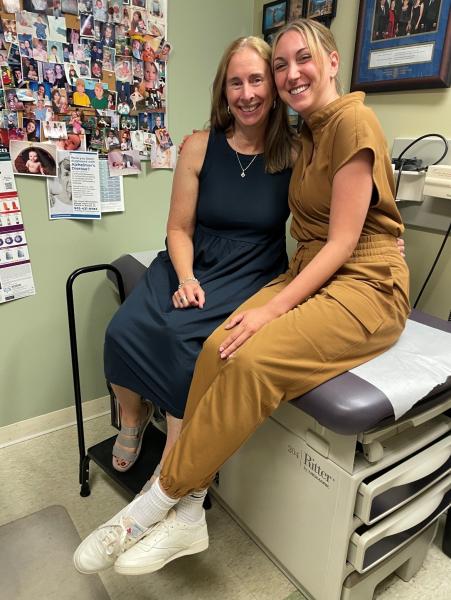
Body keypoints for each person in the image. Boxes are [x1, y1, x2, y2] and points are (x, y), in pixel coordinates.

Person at [74, 22, 408, 576]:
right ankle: (189, 514)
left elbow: (348, 240)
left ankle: (154, 504)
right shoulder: (310, 134)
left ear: (331, 61)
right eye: (280, 65)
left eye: (299, 60)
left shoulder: (351, 120)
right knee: (219, 346)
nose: (287, 74)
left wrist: (273, 306)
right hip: (316, 267)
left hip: (364, 279)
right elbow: (320, 230)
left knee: (251, 358)